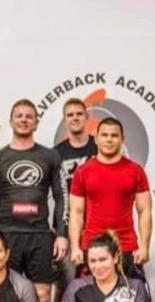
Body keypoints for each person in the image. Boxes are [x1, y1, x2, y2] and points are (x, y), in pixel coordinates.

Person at [0, 99, 67, 302]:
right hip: (6, 236)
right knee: (7, 301)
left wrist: (61, 234)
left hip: (40, 236)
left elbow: (61, 196)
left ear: (36, 122)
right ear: (11, 121)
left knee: (43, 299)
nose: (24, 120)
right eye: (19, 116)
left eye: (29, 116)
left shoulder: (50, 156)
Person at [69, 117, 151, 281]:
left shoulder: (136, 171)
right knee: (88, 297)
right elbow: (76, 212)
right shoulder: (82, 171)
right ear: (96, 138)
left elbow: (145, 211)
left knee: (131, 296)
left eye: (114, 135)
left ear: (122, 139)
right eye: (104, 135)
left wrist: (144, 246)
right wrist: (75, 247)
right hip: (92, 248)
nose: (109, 139)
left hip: (126, 248)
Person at [53, 98, 97, 285]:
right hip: (70, 225)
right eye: (70, 115)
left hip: (99, 223)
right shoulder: (56, 153)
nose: (75, 118)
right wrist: (61, 233)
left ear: (87, 116)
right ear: (64, 120)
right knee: (69, 283)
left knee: (101, 278)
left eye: (79, 114)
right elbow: (58, 196)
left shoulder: (100, 146)